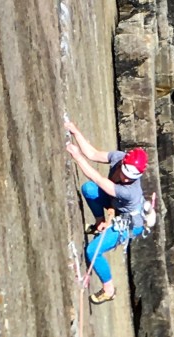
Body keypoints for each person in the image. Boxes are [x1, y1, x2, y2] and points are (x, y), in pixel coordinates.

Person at [65, 121, 148, 303]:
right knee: (89, 189)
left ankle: (108, 289)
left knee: (93, 250)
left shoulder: (129, 191)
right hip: (116, 207)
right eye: (125, 173)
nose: (125, 178)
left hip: (129, 224)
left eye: (130, 177)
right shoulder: (119, 157)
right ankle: (100, 223)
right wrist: (75, 131)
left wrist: (77, 157)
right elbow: (93, 154)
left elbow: (98, 178)